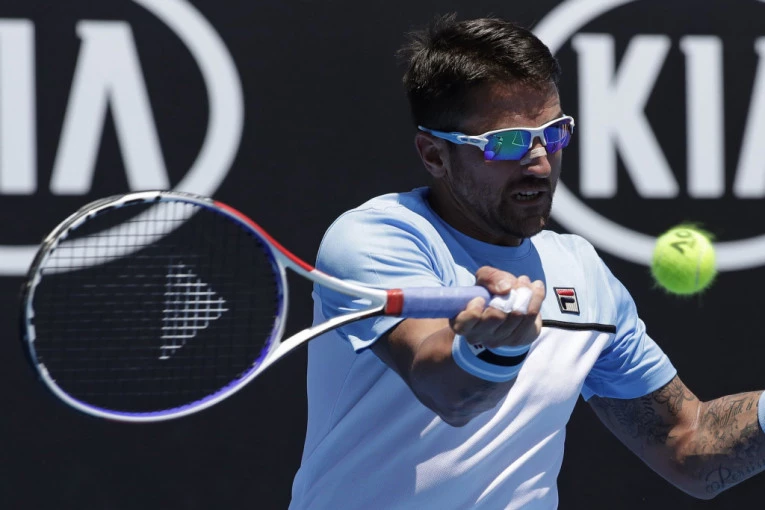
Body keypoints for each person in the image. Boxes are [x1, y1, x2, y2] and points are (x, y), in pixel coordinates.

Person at [289, 14, 765, 509]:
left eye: (553, 133)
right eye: (507, 142)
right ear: (434, 155)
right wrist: (495, 349)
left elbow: (687, 444)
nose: (539, 161)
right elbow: (448, 392)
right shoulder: (376, 237)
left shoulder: (580, 270)